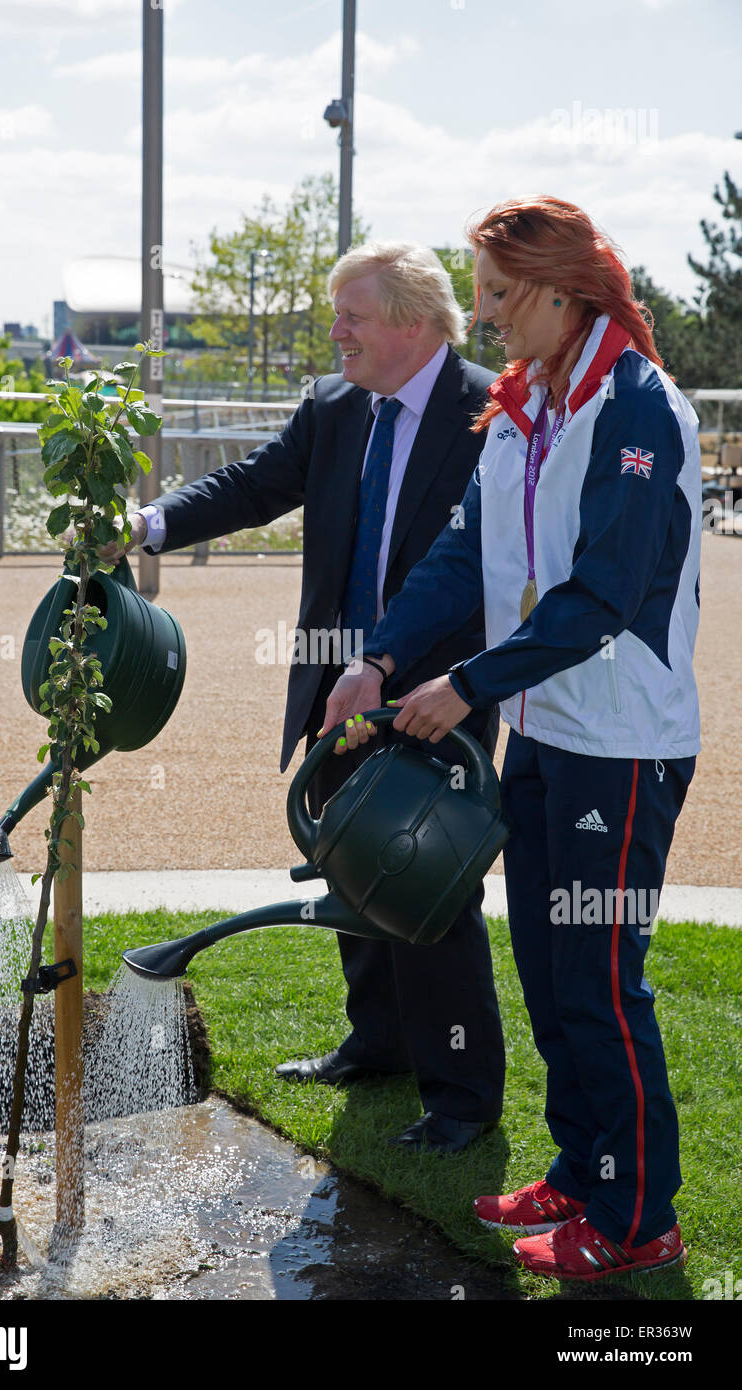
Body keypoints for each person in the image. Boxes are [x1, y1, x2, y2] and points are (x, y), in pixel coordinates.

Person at [320, 198, 701, 1280]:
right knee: (545, 969)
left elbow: (602, 596)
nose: (479, 315)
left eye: (493, 294)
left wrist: (466, 684)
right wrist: (381, 656)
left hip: (620, 745)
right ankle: (581, 1174)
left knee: (597, 980)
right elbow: (460, 552)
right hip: (540, 731)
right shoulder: (527, 404)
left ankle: (634, 1221)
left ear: (553, 290)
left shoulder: (633, 408)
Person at [105, 240, 506, 1154]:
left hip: (436, 691)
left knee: (429, 887)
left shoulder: (493, 408)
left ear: (410, 322)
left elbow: (488, 560)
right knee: (348, 861)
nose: (337, 333)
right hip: (337, 683)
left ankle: (462, 1094)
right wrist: (151, 524)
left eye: (351, 316)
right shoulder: (334, 408)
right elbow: (254, 485)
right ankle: (379, 1043)